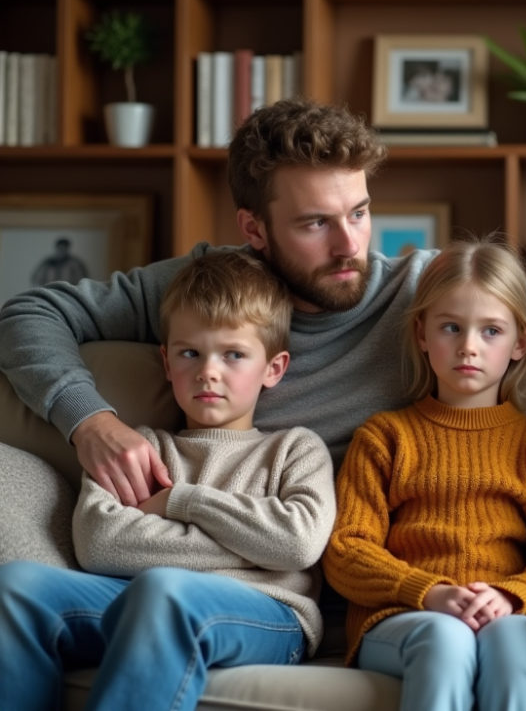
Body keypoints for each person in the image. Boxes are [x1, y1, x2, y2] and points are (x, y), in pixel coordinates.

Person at [0, 98, 526, 508]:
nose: (350, 243)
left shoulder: (424, 291)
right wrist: (90, 422)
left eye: (359, 212)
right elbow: (29, 314)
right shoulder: (210, 288)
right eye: (314, 224)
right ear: (254, 229)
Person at [0, 250, 337, 711]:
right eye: (190, 353)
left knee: (163, 591)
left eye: (234, 354)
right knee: (15, 586)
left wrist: (179, 500)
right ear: (166, 360)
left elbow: (297, 544)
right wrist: (253, 545)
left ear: (273, 368)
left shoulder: (295, 449)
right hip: (140, 600)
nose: (208, 372)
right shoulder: (140, 449)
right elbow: (100, 543)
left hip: (268, 613)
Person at [323, 237, 526, 711]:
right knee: (446, 639)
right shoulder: (385, 437)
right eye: (451, 327)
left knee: (513, 646)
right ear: (422, 334)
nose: (468, 347)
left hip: (512, 611)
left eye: (491, 331)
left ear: (520, 342)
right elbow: (346, 550)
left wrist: (512, 595)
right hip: (404, 615)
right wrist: (428, 592)